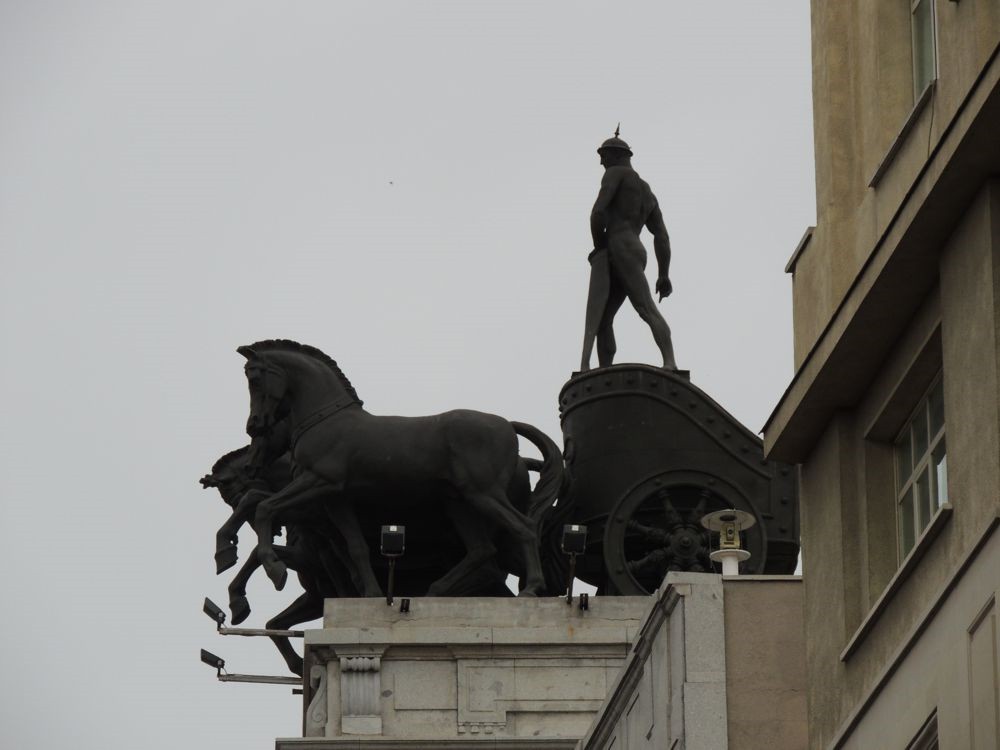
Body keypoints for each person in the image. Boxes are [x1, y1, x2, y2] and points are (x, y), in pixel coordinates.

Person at [580, 129, 678, 371]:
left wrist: (599, 246)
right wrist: (663, 274)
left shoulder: (615, 174)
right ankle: (605, 369)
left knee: (645, 307)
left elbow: (597, 212)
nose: (601, 162)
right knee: (604, 319)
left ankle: (670, 361)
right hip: (636, 248)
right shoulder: (647, 191)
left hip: (619, 244)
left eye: (603, 155)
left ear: (616, 155)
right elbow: (662, 236)